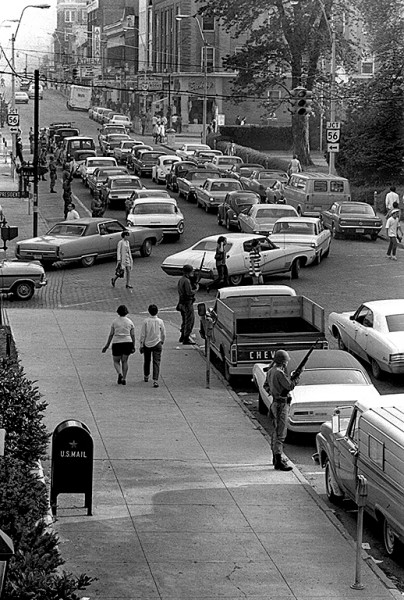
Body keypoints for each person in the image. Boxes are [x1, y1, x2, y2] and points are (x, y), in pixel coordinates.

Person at [264, 349, 299, 471]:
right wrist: (296, 377)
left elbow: (266, 386)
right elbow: (290, 386)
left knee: (276, 432)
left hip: (275, 403)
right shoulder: (279, 373)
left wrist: (274, 393)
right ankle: (278, 461)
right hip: (281, 405)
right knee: (280, 434)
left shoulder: (270, 371)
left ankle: (276, 457)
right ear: (284, 362)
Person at [102, 304, 136, 385]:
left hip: (117, 343)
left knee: (116, 361)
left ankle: (119, 373)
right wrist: (133, 345)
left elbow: (111, 334)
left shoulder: (115, 322)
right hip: (127, 342)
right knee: (125, 361)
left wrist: (107, 345)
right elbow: (133, 335)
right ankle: (124, 378)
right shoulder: (130, 322)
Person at [140, 304, 166, 388]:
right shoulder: (160, 321)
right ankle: (155, 380)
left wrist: (141, 344)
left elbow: (143, 334)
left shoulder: (146, 321)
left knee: (147, 360)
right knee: (156, 362)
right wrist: (162, 341)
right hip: (157, 342)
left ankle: (146, 375)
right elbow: (163, 333)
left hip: (147, 343)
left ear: (149, 311)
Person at [177, 264, 197, 345]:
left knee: (184, 320)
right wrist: (196, 289)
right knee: (190, 320)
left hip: (182, 302)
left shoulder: (181, 280)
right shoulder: (186, 281)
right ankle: (186, 338)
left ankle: (182, 336)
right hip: (187, 303)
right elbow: (189, 292)